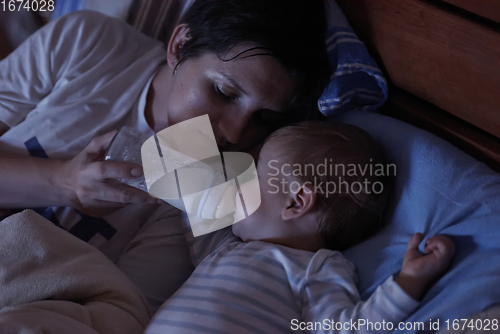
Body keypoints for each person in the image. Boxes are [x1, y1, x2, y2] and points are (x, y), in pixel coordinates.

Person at [0, 0, 330, 312]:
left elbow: (115, 316)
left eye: (263, 119)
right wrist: (63, 184)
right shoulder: (90, 45)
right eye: (224, 92)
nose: (234, 133)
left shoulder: (203, 205)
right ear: (180, 45)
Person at [146, 122, 456, 333]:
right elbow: (192, 204)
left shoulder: (317, 268)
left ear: (296, 203)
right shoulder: (227, 247)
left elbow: (344, 328)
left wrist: (409, 282)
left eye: (253, 176)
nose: (237, 183)